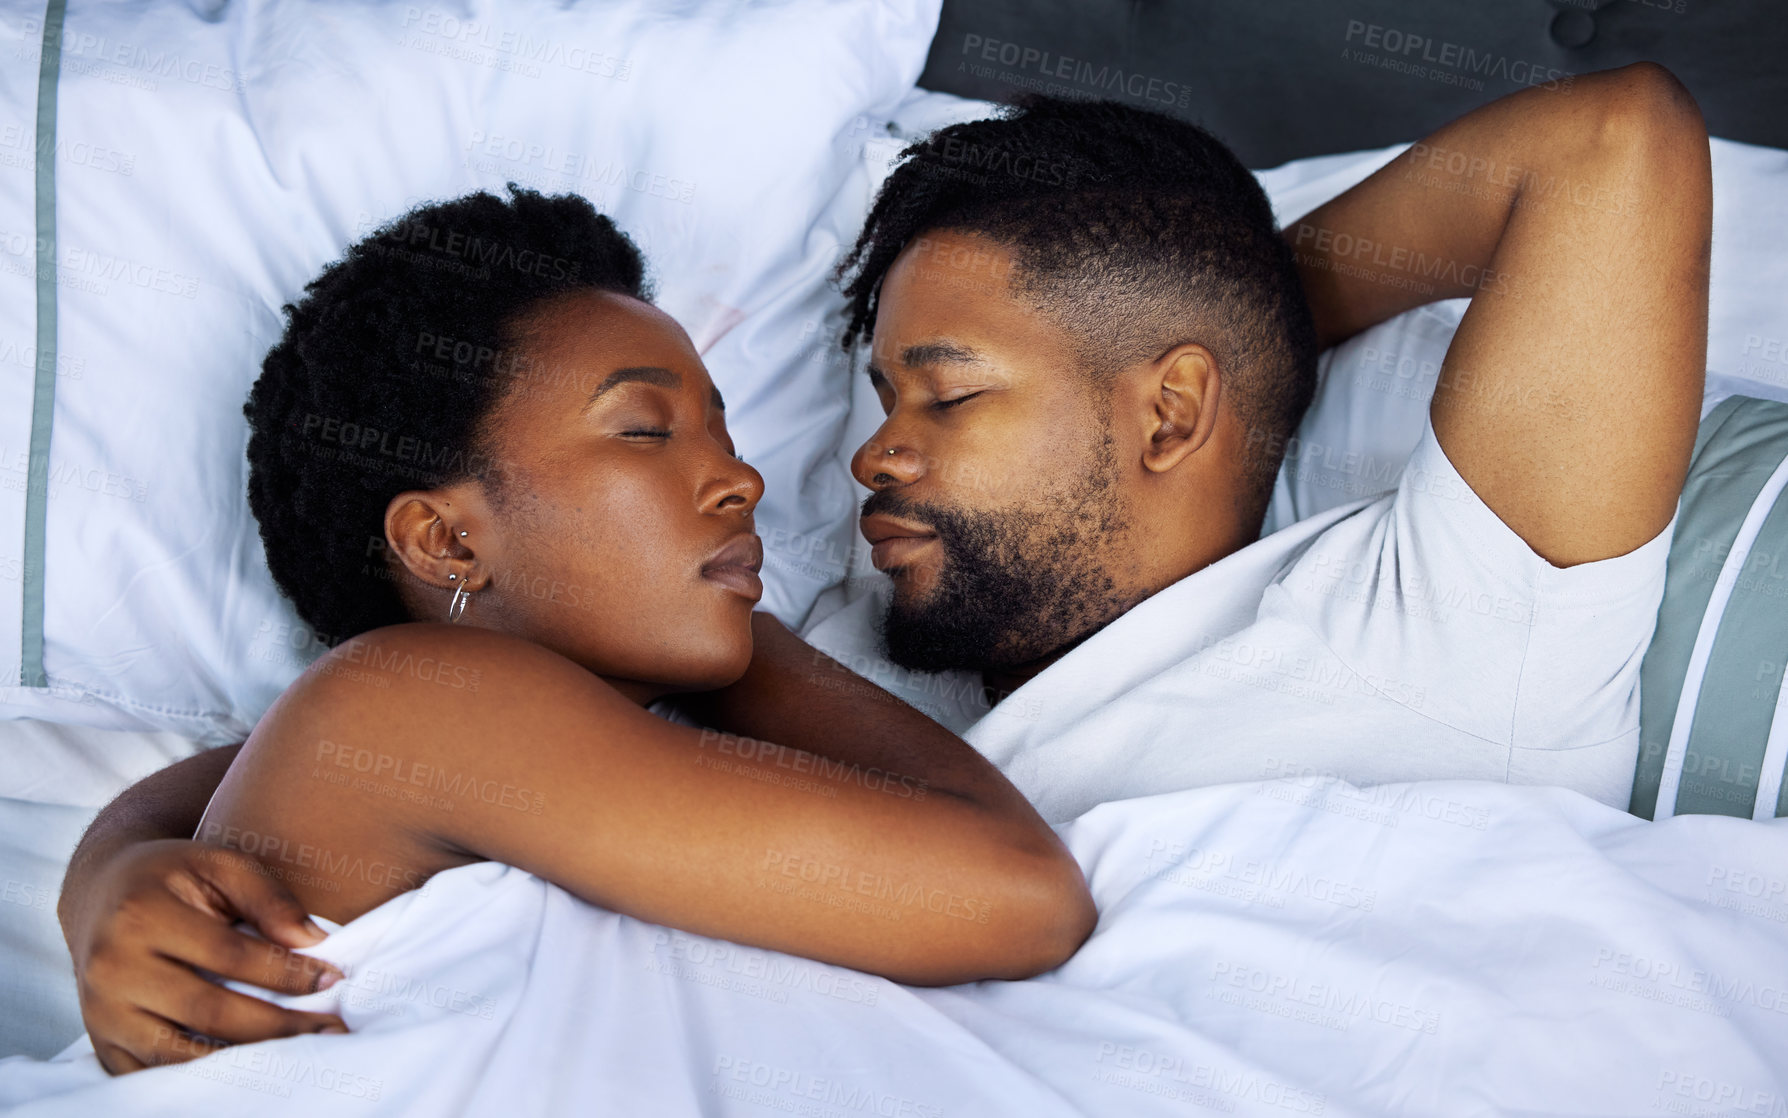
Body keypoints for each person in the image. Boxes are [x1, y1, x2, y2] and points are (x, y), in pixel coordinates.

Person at [61, 60, 1710, 1064]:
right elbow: (355, 744)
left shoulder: (1434, 619)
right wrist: (110, 874)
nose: (857, 458)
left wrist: (1206, 311)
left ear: (1167, 409)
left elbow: (1611, 147)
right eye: (873, 397)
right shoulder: (837, 634)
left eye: (944, 391)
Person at [53, 186, 1095, 1075]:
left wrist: (103, 860)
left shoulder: (387, 729)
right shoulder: (413, 698)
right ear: (449, 542)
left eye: (723, 429)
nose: (742, 479)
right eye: (643, 429)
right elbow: (1019, 892)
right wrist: (755, 643)